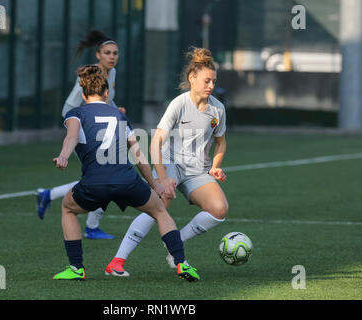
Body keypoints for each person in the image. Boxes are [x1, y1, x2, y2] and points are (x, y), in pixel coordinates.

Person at [51, 65, 199, 282]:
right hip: (127, 180)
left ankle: (76, 268)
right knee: (159, 211)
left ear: (83, 95)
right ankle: (181, 263)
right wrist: (155, 185)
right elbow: (138, 157)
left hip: (95, 183)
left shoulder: (77, 113)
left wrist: (64, 155)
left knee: (67, 208)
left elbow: (71, 138)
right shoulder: (119, 116)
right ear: (107, 93)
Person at [105, 47, 228, 276]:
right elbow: (155, 142)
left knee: (219, 209)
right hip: (171, 164)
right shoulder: (179, 104)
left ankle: (175, 242)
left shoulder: (217, 109)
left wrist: (215, 166)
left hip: (197, 171)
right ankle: (117, 262)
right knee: (159, 203)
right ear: (192, 78)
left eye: (213, 81)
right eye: (207, 81)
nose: (211, 86)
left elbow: (220, 142)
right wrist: (162, 179)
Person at [37, 30, 124, 240]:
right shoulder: (89, 75)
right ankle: (91, 227)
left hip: (97, 128)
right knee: (104, 176)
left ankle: (49, 195)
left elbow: (102, 99)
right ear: (98, 55)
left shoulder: (112, 73)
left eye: (115, 53)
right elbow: (74, 106)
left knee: (103, 176)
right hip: (80, 127)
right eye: (107, 53)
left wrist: (114, 108)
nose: (112, 57)